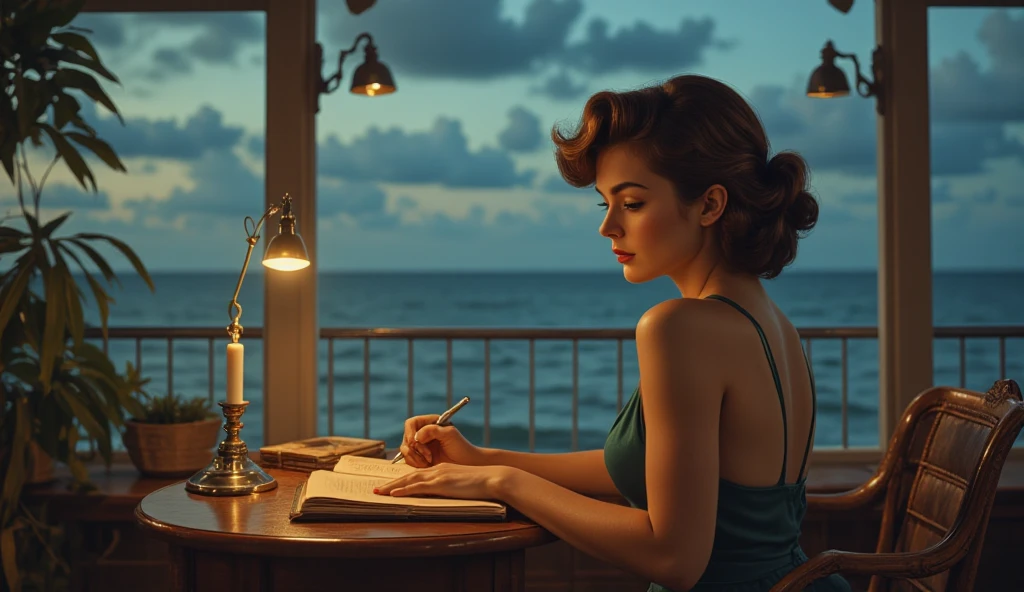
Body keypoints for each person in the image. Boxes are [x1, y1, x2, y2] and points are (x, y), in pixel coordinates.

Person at [374, 74, 852, 592]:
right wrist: (483, 457)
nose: (608, 227)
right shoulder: (770, 323)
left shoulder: (678, 326)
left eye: (633, 203)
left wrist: (501, 483)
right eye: (606, 204)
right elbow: (665, 474)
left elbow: (672, 557)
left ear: (710, 205)